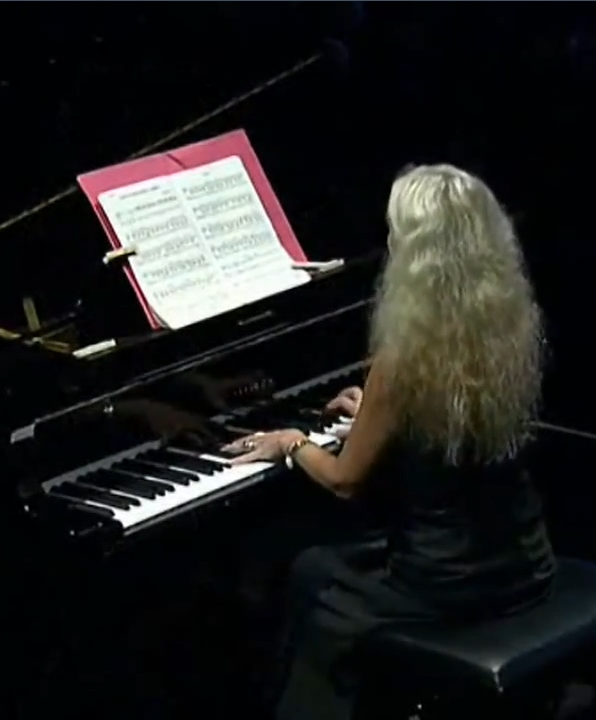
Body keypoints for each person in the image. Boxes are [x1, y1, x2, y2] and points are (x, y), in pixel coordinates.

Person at [222, 163, 556, 720]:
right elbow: (452, 428)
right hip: (525, 566)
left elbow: (343, 481)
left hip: (447, 586)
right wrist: (377, 418)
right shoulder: (510, 331)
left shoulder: (403, 359)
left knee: (308, 569)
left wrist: (293, 441)